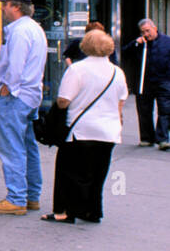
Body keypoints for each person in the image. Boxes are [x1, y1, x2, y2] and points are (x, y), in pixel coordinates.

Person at [44, 30, 127, 223]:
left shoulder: (77, 69)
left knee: (70, 172)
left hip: (81, 130)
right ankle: (92, 211)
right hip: (108, 131)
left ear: (85, 46)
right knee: (98, 173)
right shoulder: (118, 72)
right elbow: (120, 103)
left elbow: (63, 101)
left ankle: (66, 211)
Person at [0, 0, 48, 215]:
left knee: (12, 148)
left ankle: (16, 198)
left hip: (16, 96)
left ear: (16, 7)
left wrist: (7, 88)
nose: (3, 8)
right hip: (30, 95)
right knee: (28, 146)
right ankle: (31, 195)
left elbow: (15, 65)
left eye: (6, 4)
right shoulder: (35, 29)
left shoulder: (19, 31)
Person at [122, 18, 170, 150]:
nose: (146, 34)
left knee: (165, 110)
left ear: (155, 28)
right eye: (143, 32)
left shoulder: (167, 42)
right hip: (144, 81)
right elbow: (124, 53)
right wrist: (135, 44)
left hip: (163, 80)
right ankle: (147, 138)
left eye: (148, 31)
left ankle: (162, 139)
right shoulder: (140, 44)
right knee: (144, 110)